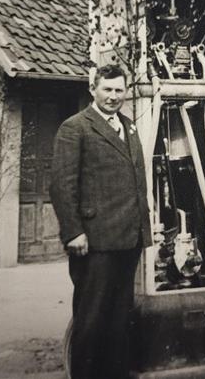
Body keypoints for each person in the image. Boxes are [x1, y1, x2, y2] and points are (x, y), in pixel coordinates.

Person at [50, 64, 152, 379]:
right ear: (93, 89)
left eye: (119, 90)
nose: (113, 96)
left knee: (120, 319)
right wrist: (73, 232)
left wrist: (143, 229)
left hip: (127, 238)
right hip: (94, 241)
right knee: (91, 320)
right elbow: (61, 185)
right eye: (107, 89)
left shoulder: (129, 126)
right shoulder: (76, 127)